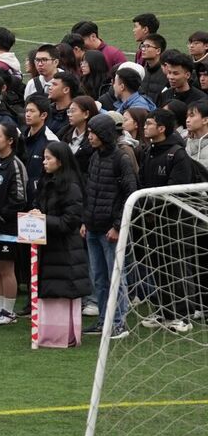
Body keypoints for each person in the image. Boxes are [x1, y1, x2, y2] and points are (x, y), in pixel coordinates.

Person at [80, 113, 136, 338]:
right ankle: (104, 320)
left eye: (93, 133)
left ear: (104, 134)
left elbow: (130, 194)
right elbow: (90, 190)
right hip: (93, 228)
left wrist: (117, 225)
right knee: (99, 278)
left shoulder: (121, 159)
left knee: (116, 278)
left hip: (110, 230)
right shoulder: (95, 157)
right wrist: (85, 220)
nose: (89, 137)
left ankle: (119, 322)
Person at [35, 140, 91, 348]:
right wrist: (36, 214)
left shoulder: (71, 187)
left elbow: (70, 222)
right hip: (49, 247)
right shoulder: (46, 183)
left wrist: (43, 219)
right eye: (44, 158)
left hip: (65, 249)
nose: (44, 162)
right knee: (50, 289)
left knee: (63, 290)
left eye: (48, 158)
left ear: (60, 161)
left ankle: (63, 335)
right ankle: (48, 334)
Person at [0, 122, 31, 326]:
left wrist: (1, 217)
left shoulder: (15, 165)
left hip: (6, 228)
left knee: (6, 269)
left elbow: (19, 198)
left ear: (10, 140)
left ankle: (8, 312)